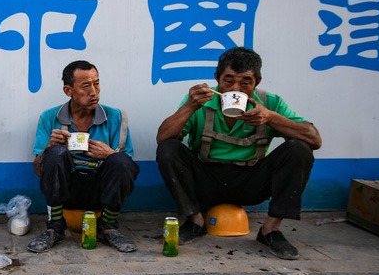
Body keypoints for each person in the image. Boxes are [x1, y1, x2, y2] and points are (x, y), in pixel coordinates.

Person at [155, 47, 322, 260]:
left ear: (257, 82)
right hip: (206, 181)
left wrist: (271, 117)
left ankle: (271, 230)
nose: (236, 88)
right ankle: (195, 221)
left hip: (252, 181)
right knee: (169, 148)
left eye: (245, 82)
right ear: (217, 78)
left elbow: (315, 139)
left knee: (300, 150)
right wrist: (189, 106)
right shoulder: (201, 101)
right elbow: (163, 138)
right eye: (229, 81)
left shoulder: (270, 103)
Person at [28, 60, 140, 253]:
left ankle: (108, 226)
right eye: (85, 86)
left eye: (96, 83)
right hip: (68, 192)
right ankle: (55, 227)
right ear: (68, 90)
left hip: (101, 191)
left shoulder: (116, 117)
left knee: (121, 160)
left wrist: (109, 154)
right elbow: (39, 170)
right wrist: (49, 146)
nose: (94, 92)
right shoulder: (49, 118)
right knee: (54, 153)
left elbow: (128, 169)